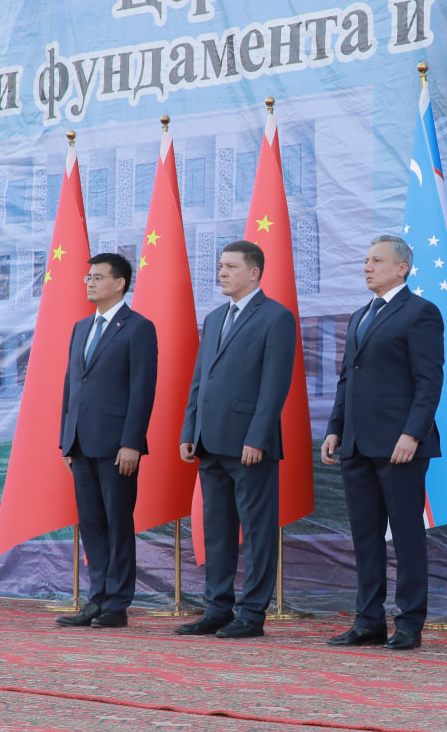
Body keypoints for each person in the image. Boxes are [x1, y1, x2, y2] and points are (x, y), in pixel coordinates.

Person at [322, 235, 444, 651]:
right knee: (365, 536)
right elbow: (347, 379)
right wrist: (336, 428)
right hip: (356, 444)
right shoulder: (361, 315)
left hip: (399, 446)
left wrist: (412, 434)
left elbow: (429, 381)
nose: (367, 267)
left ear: (402, 268)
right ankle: (368, 621)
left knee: (406, 536)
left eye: (376, 260)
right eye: (366, 260)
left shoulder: (421, 312)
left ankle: (409, 623)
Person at [176, 240, 296, 639]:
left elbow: (274, 386)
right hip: (209, 441)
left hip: (249, 444)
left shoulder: (276, 317)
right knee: (217, 530)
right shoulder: (214, 318)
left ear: (254, 272)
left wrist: (257, 437)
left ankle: (253, 612)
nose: (222, 272)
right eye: (220, 266)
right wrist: (190, 429)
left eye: (230, 266)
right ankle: (217, 607)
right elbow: (200, 379)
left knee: (258, 531)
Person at [56, 252, 157, 629]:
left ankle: (117, 604)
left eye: (98, 277)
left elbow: (142, 389)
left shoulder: (138, 327)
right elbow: (72, 386)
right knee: (92, 524)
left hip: (117, 445)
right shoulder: (81, 327)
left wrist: (132, 442)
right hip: (81, 442)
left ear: (120, 283)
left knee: (117, 523)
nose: (90, 283)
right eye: (88, 277)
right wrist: (66, 439)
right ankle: (96, 598)